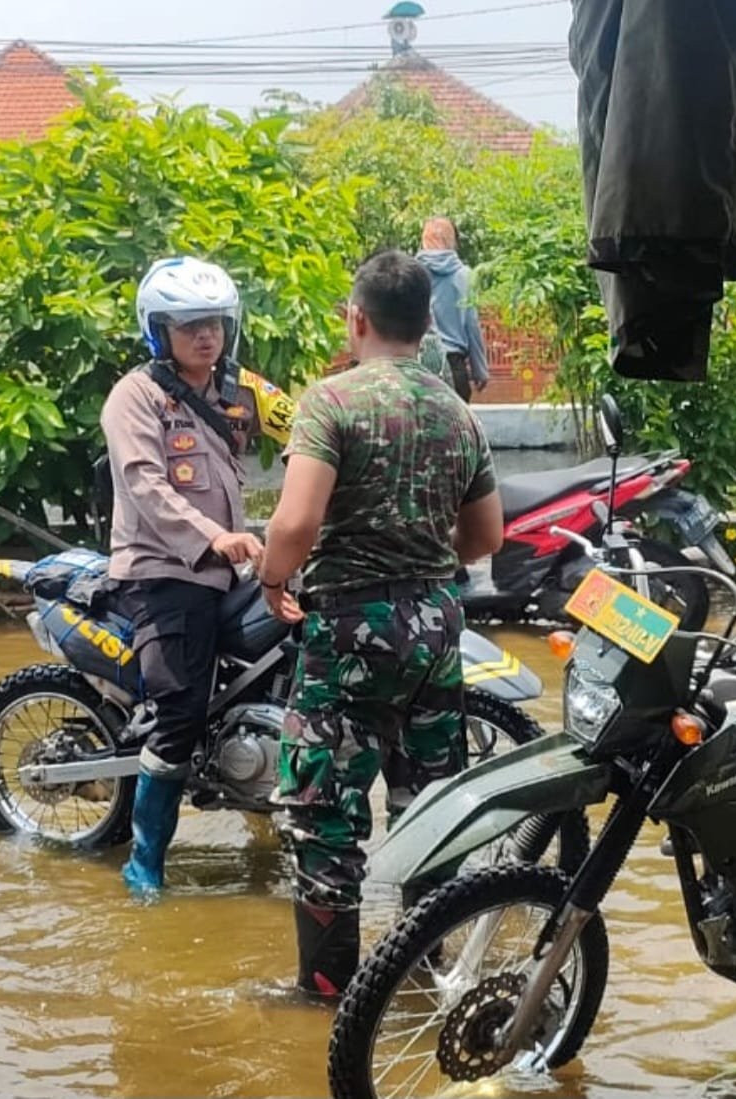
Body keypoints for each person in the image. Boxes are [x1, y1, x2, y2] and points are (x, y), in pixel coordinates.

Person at [258, 249, 504, 998]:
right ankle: (425, 976)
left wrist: (272, 578)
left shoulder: (330, 403)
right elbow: (486, 537)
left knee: (325, 812)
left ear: (356, 318)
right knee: (427, 802)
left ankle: (328, 993)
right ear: (428, 323)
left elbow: (296, 522)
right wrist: (423, 557)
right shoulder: (458, 412)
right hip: (436, 626)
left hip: (349, 631)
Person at [101, 256, 264, 897]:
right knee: (181, 711)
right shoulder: (135, 396)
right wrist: (214, 537)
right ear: (158, 330)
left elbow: (307, 426)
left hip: (228, 569)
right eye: (190, 325)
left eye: (215, 323)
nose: (206, 336)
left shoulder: (237, 390)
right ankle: (144, 862)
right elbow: (145, 484)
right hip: (163, 572)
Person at [416, 216, 490, 403]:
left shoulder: (412, 273)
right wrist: (480, 369)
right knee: (456, 422)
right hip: (454, 365)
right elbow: (471, 324)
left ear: (424, 240)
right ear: (453, 242)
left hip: (419, 366)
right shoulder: (464, 276)